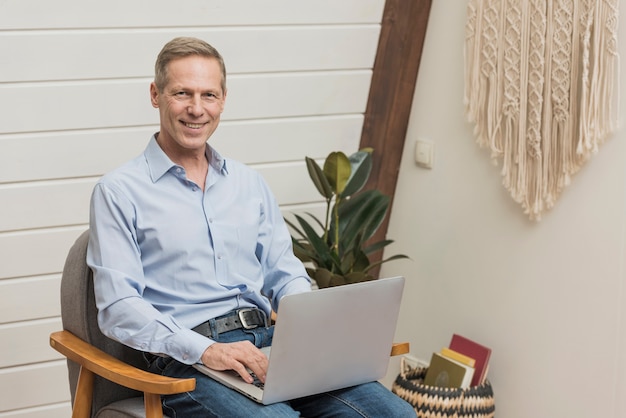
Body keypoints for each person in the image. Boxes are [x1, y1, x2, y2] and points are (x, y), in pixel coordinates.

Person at [87, 36, 415, 417]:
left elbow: (284, 271)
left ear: (223, 100)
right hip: (192, 360)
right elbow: (119, 307)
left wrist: (311, 334)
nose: (196, 109)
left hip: (272, 345)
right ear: (155, 95)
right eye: (182, 93)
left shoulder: (249, 184)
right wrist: (208, 350)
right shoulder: (118, 192)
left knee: (394, 415)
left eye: (209, 95)